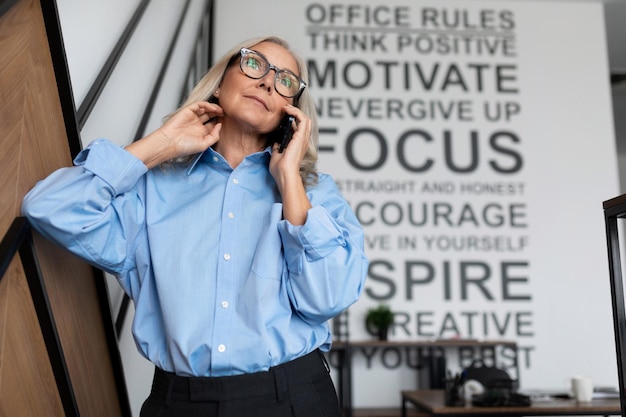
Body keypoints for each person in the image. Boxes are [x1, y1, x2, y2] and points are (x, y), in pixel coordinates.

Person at [22, 36, 368, 417]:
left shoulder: (315, 195)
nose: (269, 82)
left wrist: (289, 179)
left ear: (290, 110)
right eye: (254, 64)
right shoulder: (151, 188)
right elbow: (49, 207)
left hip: (294, 397)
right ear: (220, 82)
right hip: (179, 403)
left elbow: (328, 298)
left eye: (285, 80)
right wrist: (163, 143)